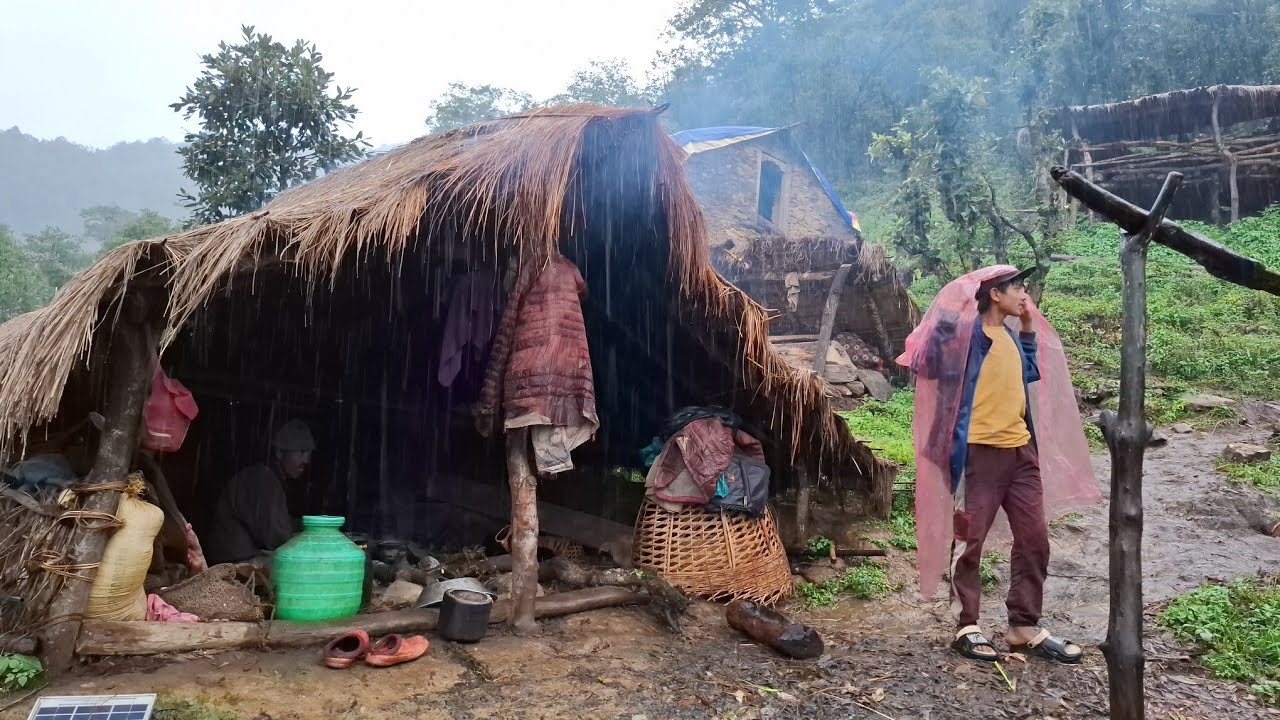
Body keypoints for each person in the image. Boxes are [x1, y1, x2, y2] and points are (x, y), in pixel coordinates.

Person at [925, 267, 1083, 664]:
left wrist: (1028, 328)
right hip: (977, 454)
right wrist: (953, 308)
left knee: (1034, 539)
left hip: (1020, 454)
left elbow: (1028, 371)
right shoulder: (966, 336)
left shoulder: (1010, 336)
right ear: (995, 294)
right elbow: (926, 361)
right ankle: (967, 625)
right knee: (969, 541)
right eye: (1018, 287)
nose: (1024, 293)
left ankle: (1022, 626)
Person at [206, 419, 315, 565]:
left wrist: (306, 527)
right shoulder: (263, 479)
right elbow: (277, 539)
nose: (306, 460)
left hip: (237, 558)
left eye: (308, 453)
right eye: (301, 452)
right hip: (233, 563)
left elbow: (279, 524)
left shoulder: (266, 477)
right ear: (279, 453)